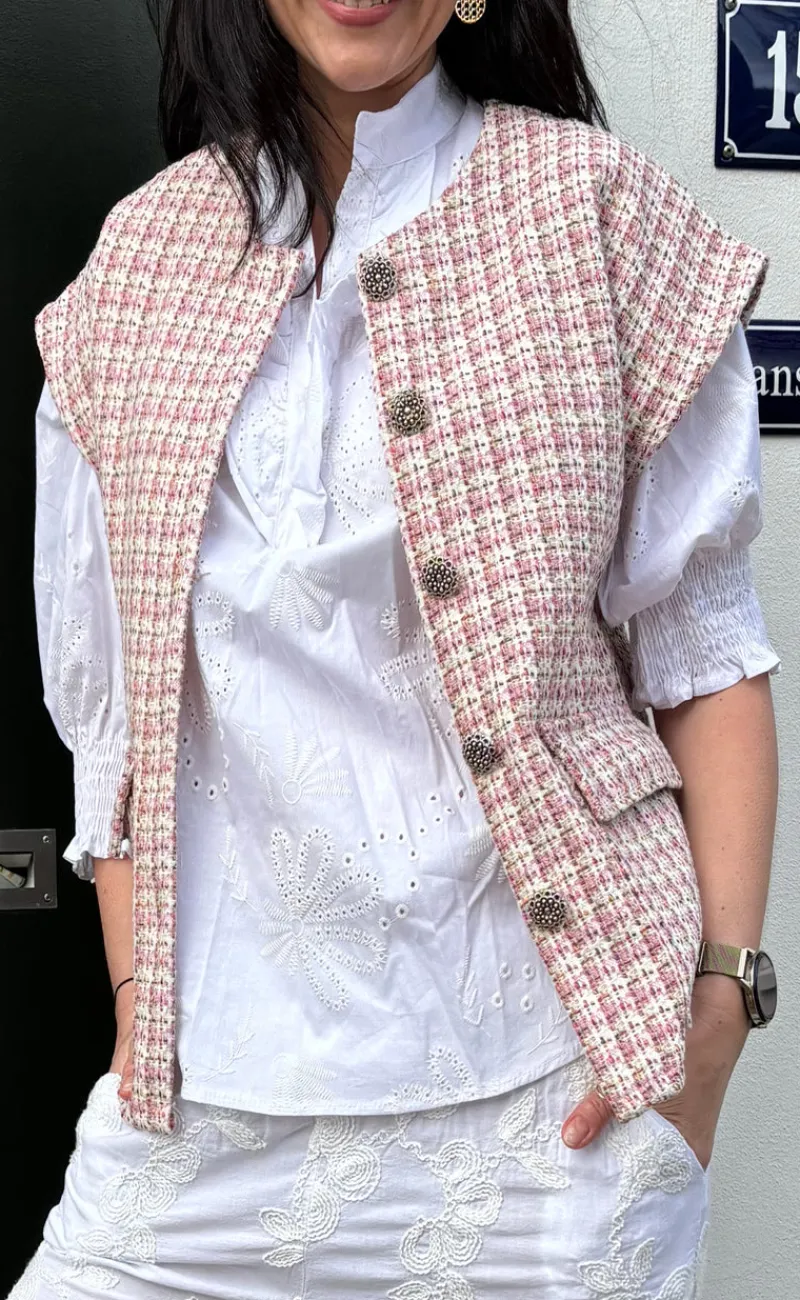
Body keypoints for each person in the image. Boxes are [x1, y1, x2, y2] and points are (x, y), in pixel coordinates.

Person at [12, 0, 780, 1296]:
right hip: (215, 1096)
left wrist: (718, 1009)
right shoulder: (136, 267)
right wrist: (141, 1003)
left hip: (556, 1104)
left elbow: (704, 656)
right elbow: (118, 724)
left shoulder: (594, 213)